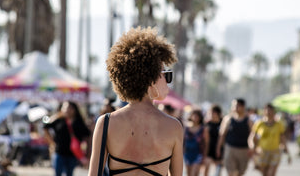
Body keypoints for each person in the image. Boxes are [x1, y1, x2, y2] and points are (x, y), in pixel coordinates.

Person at [88, 27, 183, 176]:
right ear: (151, 78)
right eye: (166, 75)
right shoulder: (174, 127)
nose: (168, 81)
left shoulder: (106, 123)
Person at [44, 101, 91, 176]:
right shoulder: (58, 120)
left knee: (69, 173)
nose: (67, 110)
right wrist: (51, 142)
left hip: (72, 154)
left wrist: (87, 152)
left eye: (70, 108)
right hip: (59, 152)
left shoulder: (79, 122)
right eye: (65, 108)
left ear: (75, 110)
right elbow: (46, 126)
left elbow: (88, 136)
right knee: (57, 173)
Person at [249, 103, 290, 176]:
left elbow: (282, 138)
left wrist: (287, 151)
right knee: (264, 173)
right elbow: (252, 136)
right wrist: (252, 146)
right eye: (266, 110)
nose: (268, 112)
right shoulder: (259, 123)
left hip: (275, 151)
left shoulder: (278, 124)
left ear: (274, 112)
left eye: (270, 110)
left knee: (272, 173)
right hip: (262, 151)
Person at [216, 98, 253, 176]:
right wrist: (219, 148)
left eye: (237, 106)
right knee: (231, 172)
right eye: (234, 106)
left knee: (240, 172)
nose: (234, 108)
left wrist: (252, 147)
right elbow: (222, 134)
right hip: (230, 148)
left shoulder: (248, 120)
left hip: (243, 150)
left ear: (243, 107)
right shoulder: (228, 119)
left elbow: (252, 134)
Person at [184, 109, 205, 176]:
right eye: (194, 115)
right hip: (187, 153)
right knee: (188, 173)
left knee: (194, 173)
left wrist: (204, 155)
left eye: (197, 116)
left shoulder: (203, 129)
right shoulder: (186, 128)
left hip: (197, 154)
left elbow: (206, 143)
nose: (195, 117)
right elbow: (183, 141)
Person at [203, 104, 223, 176]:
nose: (212, 114)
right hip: (209, 148)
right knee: (206, 166)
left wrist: (219, 148)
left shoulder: (222, 123)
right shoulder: (207, 123)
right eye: (211, 112)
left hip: (219, 148)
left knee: (218, 169)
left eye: (213, 112)